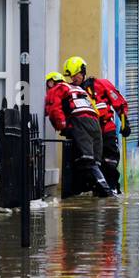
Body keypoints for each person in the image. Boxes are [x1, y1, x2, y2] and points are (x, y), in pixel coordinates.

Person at [44, 61, 111, 197]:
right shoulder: (78, 89)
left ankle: (107, 193)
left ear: (51, 82)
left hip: (81, 121)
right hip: (95, 124)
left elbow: (54, 108)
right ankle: (96, 193)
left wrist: (62, 125)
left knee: (87, 162)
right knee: (94, 163)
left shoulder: (58, 88)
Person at [68, 57, 130, 195]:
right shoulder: (73, 91)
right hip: (89, 135)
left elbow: (119, 102)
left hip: (106, 131)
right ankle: (99, 194)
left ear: (83, 71)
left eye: (76, 75)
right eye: (71, 76)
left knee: (110, 163)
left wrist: (125, 121)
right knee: (91, 166)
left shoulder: (101, 84)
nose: (74, 78)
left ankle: (113, 191)